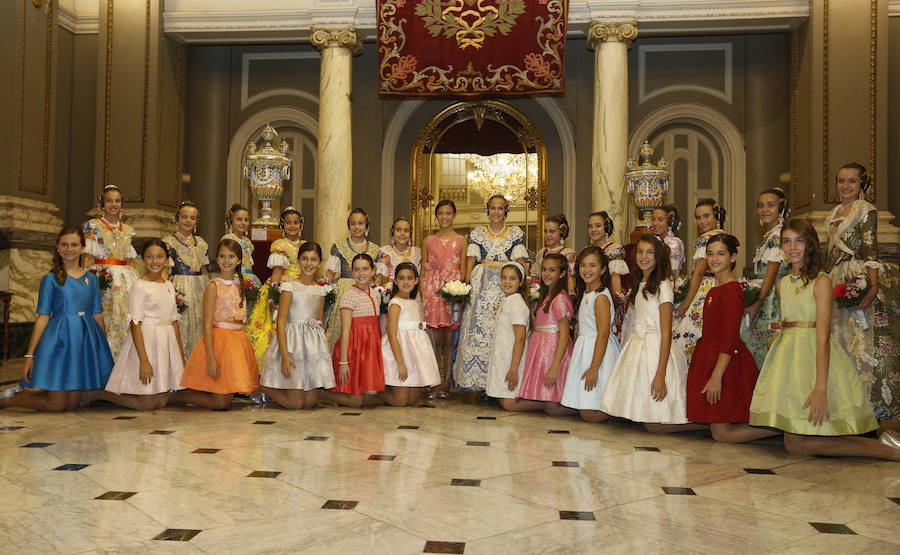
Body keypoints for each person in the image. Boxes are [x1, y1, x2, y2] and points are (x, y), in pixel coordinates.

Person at [749, 219, 899, 459]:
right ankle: (886, 448)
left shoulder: (821, 282)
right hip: (787, 359)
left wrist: (820, 388)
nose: (792, 247)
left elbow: (823, 338)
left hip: (810, 359)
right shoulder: (782, 284)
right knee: (795, 441)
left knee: (801, 441)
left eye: (799, 241)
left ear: (810, 245)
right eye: (786, 241)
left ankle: (888, 452)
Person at [0, 227, 113, 411]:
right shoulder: (51, 279)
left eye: (74, 244)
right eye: (64, 244)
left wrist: (101, 349)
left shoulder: (91, 280)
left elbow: (97, 314)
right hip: (61, 340)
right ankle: (8, 400)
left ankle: (27, 394)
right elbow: (43, 318)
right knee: (57, 405)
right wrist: (30, 355)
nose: (69, 249)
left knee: (71, 404)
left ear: (82, 247)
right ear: (58, 248)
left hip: (84, 340)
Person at [823, 162, 900, 422]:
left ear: (862, 184)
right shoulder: (833, 212)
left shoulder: (866, 210)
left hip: (859, 276)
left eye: (852, 181)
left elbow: (870, 248)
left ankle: (870, 405)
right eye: (841, 181)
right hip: (835, 278)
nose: (845, 186)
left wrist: (872, 285)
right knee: (837, 339)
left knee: (863, 341)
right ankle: (841, 402)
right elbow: (830, 254)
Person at [685, 234, 777, 443]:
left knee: (722, 434)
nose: (714, 259)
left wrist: (716, 376)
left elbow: (729, 337)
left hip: (726, 364)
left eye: (721, 254)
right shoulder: (714, 290)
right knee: (708, 420)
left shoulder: (732, 291)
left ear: (733, 257)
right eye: (710, 254)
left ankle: (781, 428)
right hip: (710, 357)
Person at [600, 234, 689, 426]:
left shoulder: (663, 286)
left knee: (654, 423)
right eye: (640, 252)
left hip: (656, 349)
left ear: (658, 256)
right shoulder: (640, 285)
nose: (644, 256)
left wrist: (660, 374)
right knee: (637, 414)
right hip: (638, 345)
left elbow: (666, 332)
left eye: (650, 252)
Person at [453, 195, 528, 391]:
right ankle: (479, 382)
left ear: (506, 211)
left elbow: (520, 265)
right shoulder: (478, 233)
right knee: (479, 332)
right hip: (481, 289)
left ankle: (501, 380)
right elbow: (470, 261)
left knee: (502, 331)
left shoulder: (515, 234)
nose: (496, 212)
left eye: (500, 208)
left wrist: (525, 286)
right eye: (493, 208)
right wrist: (466, 288)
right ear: (488, 210)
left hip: (506, 286)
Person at [173, 239, 259, 409]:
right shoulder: (213, 286)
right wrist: (211, 358)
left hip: (237, 342)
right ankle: (176, 397)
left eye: (231, 256)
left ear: (239, 260)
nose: (226, 260)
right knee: (220, 403)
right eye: (222, 256)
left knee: (227, 397)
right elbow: (207, 324)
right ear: (217, 259)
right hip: (219, 343)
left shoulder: (241, 284)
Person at [102, 239, 186, 410]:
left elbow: (174, 323)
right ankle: (98, 393)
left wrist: (179, 357)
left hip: (164, 341)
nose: (155, 261)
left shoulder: (169, 286)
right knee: (147, 404)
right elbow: (135, 323)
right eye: (150, 257)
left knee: (161, 401)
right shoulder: (140, 286)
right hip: (146, 342)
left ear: (167, 259)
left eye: (159, 256)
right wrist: (144, 361)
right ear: (143, 259)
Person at [259, 242, 335, 409]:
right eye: (305, 259)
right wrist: (285, 354)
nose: (309, 263)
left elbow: (320, 321)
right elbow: (280, 321)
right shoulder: (289, 286)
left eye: (313, 259)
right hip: (293, 344)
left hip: (312, 346)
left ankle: (290, 388)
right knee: (296, 404)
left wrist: (322, 353)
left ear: (320, 262)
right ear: (299, 261)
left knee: (309, 402)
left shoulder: (321, 291)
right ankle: (262, 385)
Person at [560, 247, 621, 422]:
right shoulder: (587, 293)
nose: (587, 270)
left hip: (598, 353)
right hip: (586, 348)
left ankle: (624, 413)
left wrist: (594, 368)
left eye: (593, 265)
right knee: (583, 407)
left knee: (590, 414)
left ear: (603, 269)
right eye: (583, 265)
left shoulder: (600, 297)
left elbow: (603, 334)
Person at [512, 254, 576, 414]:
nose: (547, 273)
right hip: (542, 349)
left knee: (552, 406)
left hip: (554, 350)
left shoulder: (560, 298)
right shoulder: (547, 297)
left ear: (562, 273)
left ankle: (580, 410)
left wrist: (555, 366)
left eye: (552, 270)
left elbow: (564, 334)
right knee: (545, 401)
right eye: (544, 269)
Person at [320, 253, 384, 408]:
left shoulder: (376, 294)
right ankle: (319, 393)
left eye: (365, 269)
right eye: (357, 270)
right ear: (351, 271)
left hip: (369, 351)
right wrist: (344, 362)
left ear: (373, 270)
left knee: (369, 395)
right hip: (354, 351)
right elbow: (346, 331)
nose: (361, 273)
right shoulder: (349, 296)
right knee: (356, 401)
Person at [82, 184, 139, 358]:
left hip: (126, 278)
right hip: (103, 276)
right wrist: (85, 279)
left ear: (122, 204)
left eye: (117, 201)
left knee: (127, 317)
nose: (113, 205)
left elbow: (130, 259)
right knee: (106, 316)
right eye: (109, 201)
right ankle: (105, 357)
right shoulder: (93, 226)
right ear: (102, 203)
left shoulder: (128, 229)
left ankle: (125, 357)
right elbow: (88, 256)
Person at [420, 199, 467, 398]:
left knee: (450, 340)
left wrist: (462, 292)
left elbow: (463, 270)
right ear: (436, 216)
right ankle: (433, 383)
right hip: (433, 292)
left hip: (453, 292)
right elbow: (423, 270)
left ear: (454, 215)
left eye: (448, 213)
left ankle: (447, 383)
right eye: (441, 213)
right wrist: (423, 295)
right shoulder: (428, 240)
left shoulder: (462, 240)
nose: (444, 217)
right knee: (435, 340)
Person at [247, 206, 305, 364]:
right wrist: (274, 296)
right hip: (283, 286)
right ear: (282, 225)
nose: (292, 226)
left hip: (302, 287)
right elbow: (277, 272)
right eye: (288, 222)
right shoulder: (279, 245)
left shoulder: (305, 245)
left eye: (296, 222)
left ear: (301, 225)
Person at [672, 199, 727, 364]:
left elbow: (698, 273)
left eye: (706, 216)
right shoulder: (724, 236)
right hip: (723, 286)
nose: (702, 221)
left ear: (716, 215)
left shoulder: (706, 238)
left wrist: (686, 304)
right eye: (698, 217)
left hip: (707, 289)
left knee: (685, 338)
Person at [379, 263, 440, 407]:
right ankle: (375, 390)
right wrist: (400, 363)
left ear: (416, 280)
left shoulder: (414, 303)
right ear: (395, 281)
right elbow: (392, 335)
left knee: (412, 400)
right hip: (398, 354)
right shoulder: (395, 303)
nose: (406, 282)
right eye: (401, 278)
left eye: (409, 278)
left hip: (413, 355)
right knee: (400, 401)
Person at [741, 188, 790, 368]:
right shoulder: (769, 236)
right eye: (760, 206)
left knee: (766, 343)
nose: (764, 209)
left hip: (771, 298)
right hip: (764, 292)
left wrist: (756, 303)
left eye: (770, 205)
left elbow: (770, 276)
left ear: (781, 209)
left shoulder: (777, 236)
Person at [324, 208, 381, 348]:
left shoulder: (376, 249)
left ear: (366, 225)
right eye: (353, 223)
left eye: (360, 223)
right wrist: (324, 288)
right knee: (341, 330)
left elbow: (378, 278)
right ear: (348, 225)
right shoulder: (338, 246)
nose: (357, 227)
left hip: (367, 292)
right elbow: (330, 274)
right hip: (344, 291)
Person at [163, 201, 209, 355]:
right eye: (184, 217)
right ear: (177, 218)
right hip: (179, 287)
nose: (188, 221)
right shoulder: (169, 242)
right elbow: (165, 271)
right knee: (181, 324)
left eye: (193, 218)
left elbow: (204, 270)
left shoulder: (202, 243)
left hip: (199, 289)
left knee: (199, 324)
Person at [485, 262, 531, 410]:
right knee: (503, 400)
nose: (507, 282)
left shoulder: (517, 304)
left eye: (512, 278)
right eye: (504, 277)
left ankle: (544, 405)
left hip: (513, 359)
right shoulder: (508, 301)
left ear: (521, 282)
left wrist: (513, 370)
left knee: (509, 403)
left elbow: (520, 338)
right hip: (504, 358)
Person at [222, 203, 261, 316]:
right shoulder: (228, 239)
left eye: (246, 220)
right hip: (235, 278)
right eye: (239, 219)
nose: (243, 223)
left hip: (250, 278)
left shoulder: (247, 241)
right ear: (231, 221)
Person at [531, 214, 576, 294]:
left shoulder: (568, 254)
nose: (548, 235)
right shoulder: (541, 252)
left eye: (552, 231)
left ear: (561, 232)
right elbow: (535, 276)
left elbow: (570, 281)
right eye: (545, 231)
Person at [375, 217, 421, 287]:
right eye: (398, 230)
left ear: (410, 234)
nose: (402, 233)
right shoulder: (385, 252)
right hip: (390, 294)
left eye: (406, 230)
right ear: (393, 232)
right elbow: (378, 282)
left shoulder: (417, 253)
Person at [650, 204, 685, 277]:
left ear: (670, 222)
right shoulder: (657, 241)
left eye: (660, 219)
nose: (655, 223)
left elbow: (670, 274)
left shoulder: (673, 243)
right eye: (653, 219)